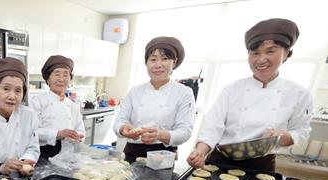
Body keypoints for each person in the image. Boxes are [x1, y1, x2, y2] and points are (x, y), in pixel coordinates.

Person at [188, 18, 312, 171]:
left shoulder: (299, 94)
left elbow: (302, 130)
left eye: (270, 51)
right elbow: (213, 126)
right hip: (221, 159)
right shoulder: (232, 90)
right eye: (255, 53)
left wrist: (286, 137)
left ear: (286, 53)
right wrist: (200, 151)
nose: (261, 59)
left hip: (261, 165)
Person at [114, 36, 195, 160]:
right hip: (131, 152)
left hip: (164, 155)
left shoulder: (184, 92)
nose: (158, 65)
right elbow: (119, 121)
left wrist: (160, 135)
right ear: (147, 63)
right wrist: (123, 129)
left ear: (174, 62)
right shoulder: (135, 91)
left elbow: (185, 131)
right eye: (153, 59)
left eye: (165, 59)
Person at [30, 55, 85, 158]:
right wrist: (57, 134)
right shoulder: (38, 102)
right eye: (57, 74)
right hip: (44, 154)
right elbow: (32, 132)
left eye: (65, 75)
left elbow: (80, 129)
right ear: (48, 79)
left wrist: (78, 136)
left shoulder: (73, 106)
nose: (61, 79)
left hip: (69, 155)